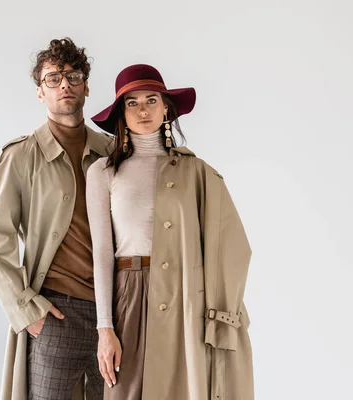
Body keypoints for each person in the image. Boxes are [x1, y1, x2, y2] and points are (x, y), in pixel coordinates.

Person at [86, 64, 254, 399]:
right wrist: (105, 328)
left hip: (185, 295)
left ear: (166, 109)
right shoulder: (102, 172)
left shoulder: (196, 172)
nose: (143, 109)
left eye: (151, 100)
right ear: (121, 113)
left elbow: (229, 245)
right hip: (129, 293)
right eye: (132, 103)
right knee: (125, 390)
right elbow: (102, 252)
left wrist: (216, 311)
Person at [0, 37, 113, 400]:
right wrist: (28, 312)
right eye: (53, 79)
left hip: (113, 318)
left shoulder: (113, 152)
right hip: (56, 313)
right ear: (41, 92)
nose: (64, 85)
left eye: (72, 76)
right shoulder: (19, 156)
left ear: (86, 85)